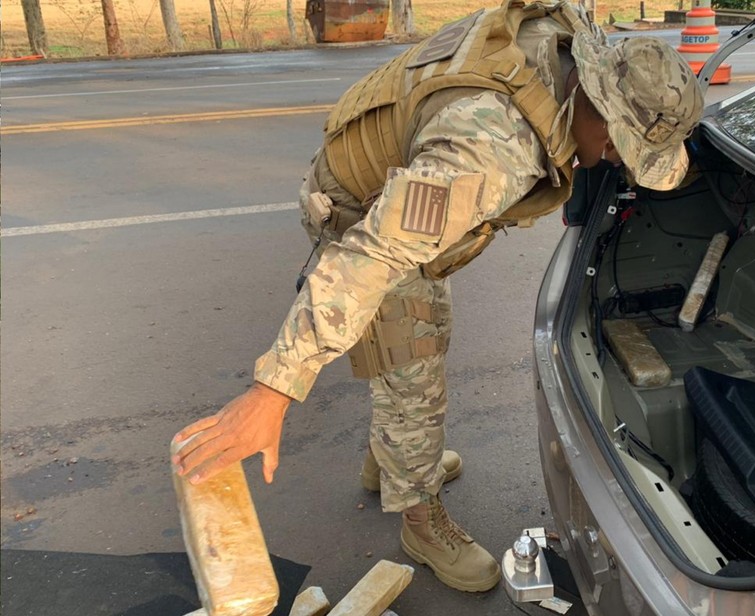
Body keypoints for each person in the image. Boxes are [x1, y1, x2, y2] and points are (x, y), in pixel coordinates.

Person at [172, 0, 703, 594]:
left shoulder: (571, 40)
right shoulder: (488, 153)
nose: (613, 164)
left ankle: (393, 463)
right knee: (412, 358)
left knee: (418, 340)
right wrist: (273, 392)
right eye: (618, 150)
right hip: (357, 211)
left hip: (399, 170)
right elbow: (368, 258)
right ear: (601, 116)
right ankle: (420, 521)